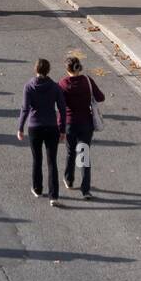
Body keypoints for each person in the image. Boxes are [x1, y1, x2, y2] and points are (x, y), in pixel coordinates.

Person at [17, 58, 67, 205]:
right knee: (52, 162)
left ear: (35, 69)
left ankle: (37, 188)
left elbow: (25, 109)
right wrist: (62, 129)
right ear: (48, 70)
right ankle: (54, 196)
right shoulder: (55, 87)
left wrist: (20, 127)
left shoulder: (29, 86)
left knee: (37, 159)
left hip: (35, 127)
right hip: (52, 127)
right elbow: (62, 109)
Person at [58, 55, 105, 199]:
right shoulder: (87, 81)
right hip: (86, 123)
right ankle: (85, 190)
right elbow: (100, 97)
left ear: (67, 69)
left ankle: (69, 180)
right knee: (84, 154)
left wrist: (60, 128)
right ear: (79, 67)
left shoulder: (63, 84)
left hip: (70, 124)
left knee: (71, 153)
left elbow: (60, 108)